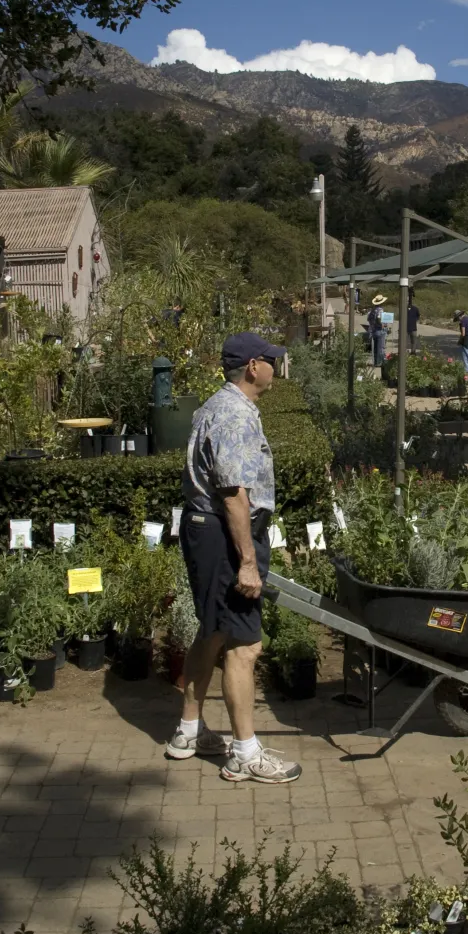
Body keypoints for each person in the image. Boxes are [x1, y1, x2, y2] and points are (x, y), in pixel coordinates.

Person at [168, 332, 302, 784]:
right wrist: (247, 560)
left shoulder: (221, 406)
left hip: (210, 530)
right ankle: (245, 753)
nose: (275, 367)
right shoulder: (233, 415)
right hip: (225, 534)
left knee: (214, 632)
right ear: (252, 367)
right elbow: (232, 494)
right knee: (245, 646)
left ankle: (188, 731)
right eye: (271, 360)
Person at [368, 294, 387, 368]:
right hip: (380, 330)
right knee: (381, 347)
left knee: (375, 347)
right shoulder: (380, 310)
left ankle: (376, 362)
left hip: (374, 331)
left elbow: (369, 319)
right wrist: (382, 324)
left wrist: (372, 325)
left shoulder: (372, 310)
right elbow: (379, 318)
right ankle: (380, 362)